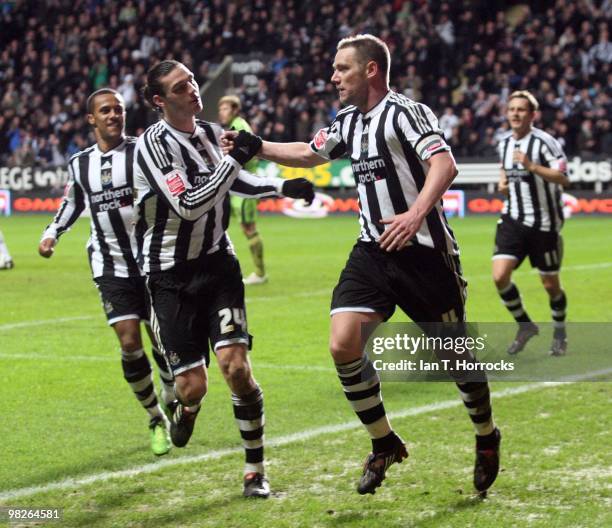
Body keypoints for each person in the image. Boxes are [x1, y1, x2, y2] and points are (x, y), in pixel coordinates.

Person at [223, 34, 501, 496]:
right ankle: (383, 441)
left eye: (342, 69)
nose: (333, 77)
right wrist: (258, 146)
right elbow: (310, 154)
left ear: (370, 70)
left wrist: (415, 215)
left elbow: (444, 165)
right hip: (372, 250)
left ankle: (487, 434)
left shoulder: (406, 112)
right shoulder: (348, 120)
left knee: (456, 360)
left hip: (425, 255)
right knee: (342, 343)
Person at [134, 60, 314, 498]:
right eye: (182, 86)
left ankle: (255, 470)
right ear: (161, 101)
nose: (194, 89)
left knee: (236, 368)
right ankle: (188, 407)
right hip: (168, 275)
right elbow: (192, 204)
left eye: (193, 80)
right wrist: (235, 158)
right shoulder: (153, 147)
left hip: (217, 265)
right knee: (192, 385)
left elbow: (235, 179)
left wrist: (279, 188)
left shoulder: (213, 133)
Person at [38, 88, 175, 456]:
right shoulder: (80, 164)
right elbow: (72, 203)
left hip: (153, 260)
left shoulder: (142, 152)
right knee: (130, 342)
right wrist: (52, 233)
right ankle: (155, 416)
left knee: (163, 340)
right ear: (91, 119)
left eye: (119, 109)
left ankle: (171, 389)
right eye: (106, 110)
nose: (114, 115)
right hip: (109, 263)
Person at [493, 90, 570, 356]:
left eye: (521, 110)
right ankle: (525, 325)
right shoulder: (503, 143)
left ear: (532, 115)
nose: (515, 113)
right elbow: (504, 170)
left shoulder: (546, 143)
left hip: (544, 224)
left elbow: (563, 177)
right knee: (500, 276)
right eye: (512, 109)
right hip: (512, 218)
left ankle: (560, 333)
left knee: (550, 285)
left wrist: (532, 166)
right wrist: (503, 182)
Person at [218, 95, 267, 285]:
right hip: (236, 186)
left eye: (225, 108)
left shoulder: (240, 127)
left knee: (249, 228)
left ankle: (260, 273)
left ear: (235, 110)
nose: (222, 112)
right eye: (220, 109)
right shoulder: (234, 126)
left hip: (245, 186)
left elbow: (246, 155)